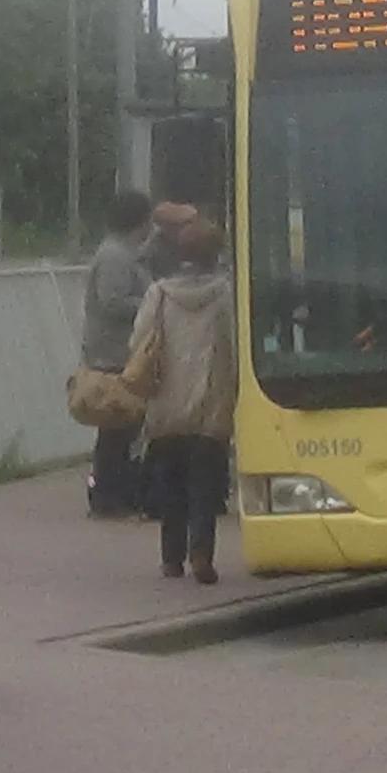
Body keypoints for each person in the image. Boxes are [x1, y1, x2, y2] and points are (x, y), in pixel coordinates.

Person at [128, 218, 237, 583]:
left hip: (166, 404)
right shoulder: (226, 295)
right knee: (205, 484)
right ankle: (201, 554)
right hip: (211, 403)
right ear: (216, 254)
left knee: (171, 482)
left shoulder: (158, 294)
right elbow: (237, 348)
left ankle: (170, 558)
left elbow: (138, 342)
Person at [82, 191, 196, 517]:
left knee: (125, 429)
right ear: (139, 221)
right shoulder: (115, 257)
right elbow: (112, 301)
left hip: (124, 352)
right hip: (114, 354)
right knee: (116, 428)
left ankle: (117, 492)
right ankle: (107, 495)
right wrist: (152, 304)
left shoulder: (126, 254)